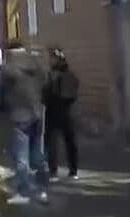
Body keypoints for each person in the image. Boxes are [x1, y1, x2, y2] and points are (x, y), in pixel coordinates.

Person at [0, 42, 50, 205]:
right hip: (38, 115)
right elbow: (47, 86)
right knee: (38, 154)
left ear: (9, 52)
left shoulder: (7, 69)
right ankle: (42, 190)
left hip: (18, 116)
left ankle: (24, 191)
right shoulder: (38, 67)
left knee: (21, 157)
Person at [45, 48, 80, 180]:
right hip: (68, 112)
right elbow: (75, 91)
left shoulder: (51, 75)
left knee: (52, 143)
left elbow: (45, 94)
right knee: (70, 142)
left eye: (51, 58)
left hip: (53, 112)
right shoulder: (71, 75)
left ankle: (53, 171)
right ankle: (73, 170)